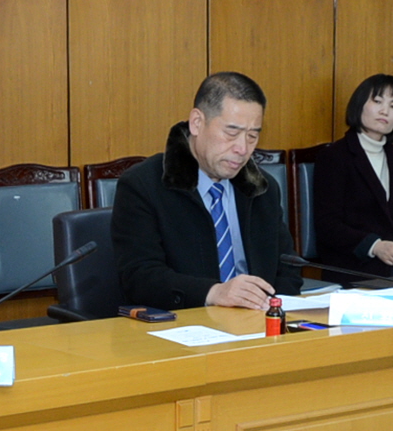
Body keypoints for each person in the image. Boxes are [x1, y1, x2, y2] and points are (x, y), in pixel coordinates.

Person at [114, 71, 303, 309]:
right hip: (183, 323)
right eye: (231, 133)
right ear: (197, 123)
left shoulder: (262, 188)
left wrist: (273, 309)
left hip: (258, 320)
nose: (242, 148)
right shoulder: (143, 185)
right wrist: (213, 292)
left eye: (252, 136)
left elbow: (287, 268)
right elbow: (140, 278)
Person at [310, 73, 393, 278]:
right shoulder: (334, 156)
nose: (385, 111)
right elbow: (327, 224)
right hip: (354, 261)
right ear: (359, 105)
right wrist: (375, 246)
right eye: (377, 101)